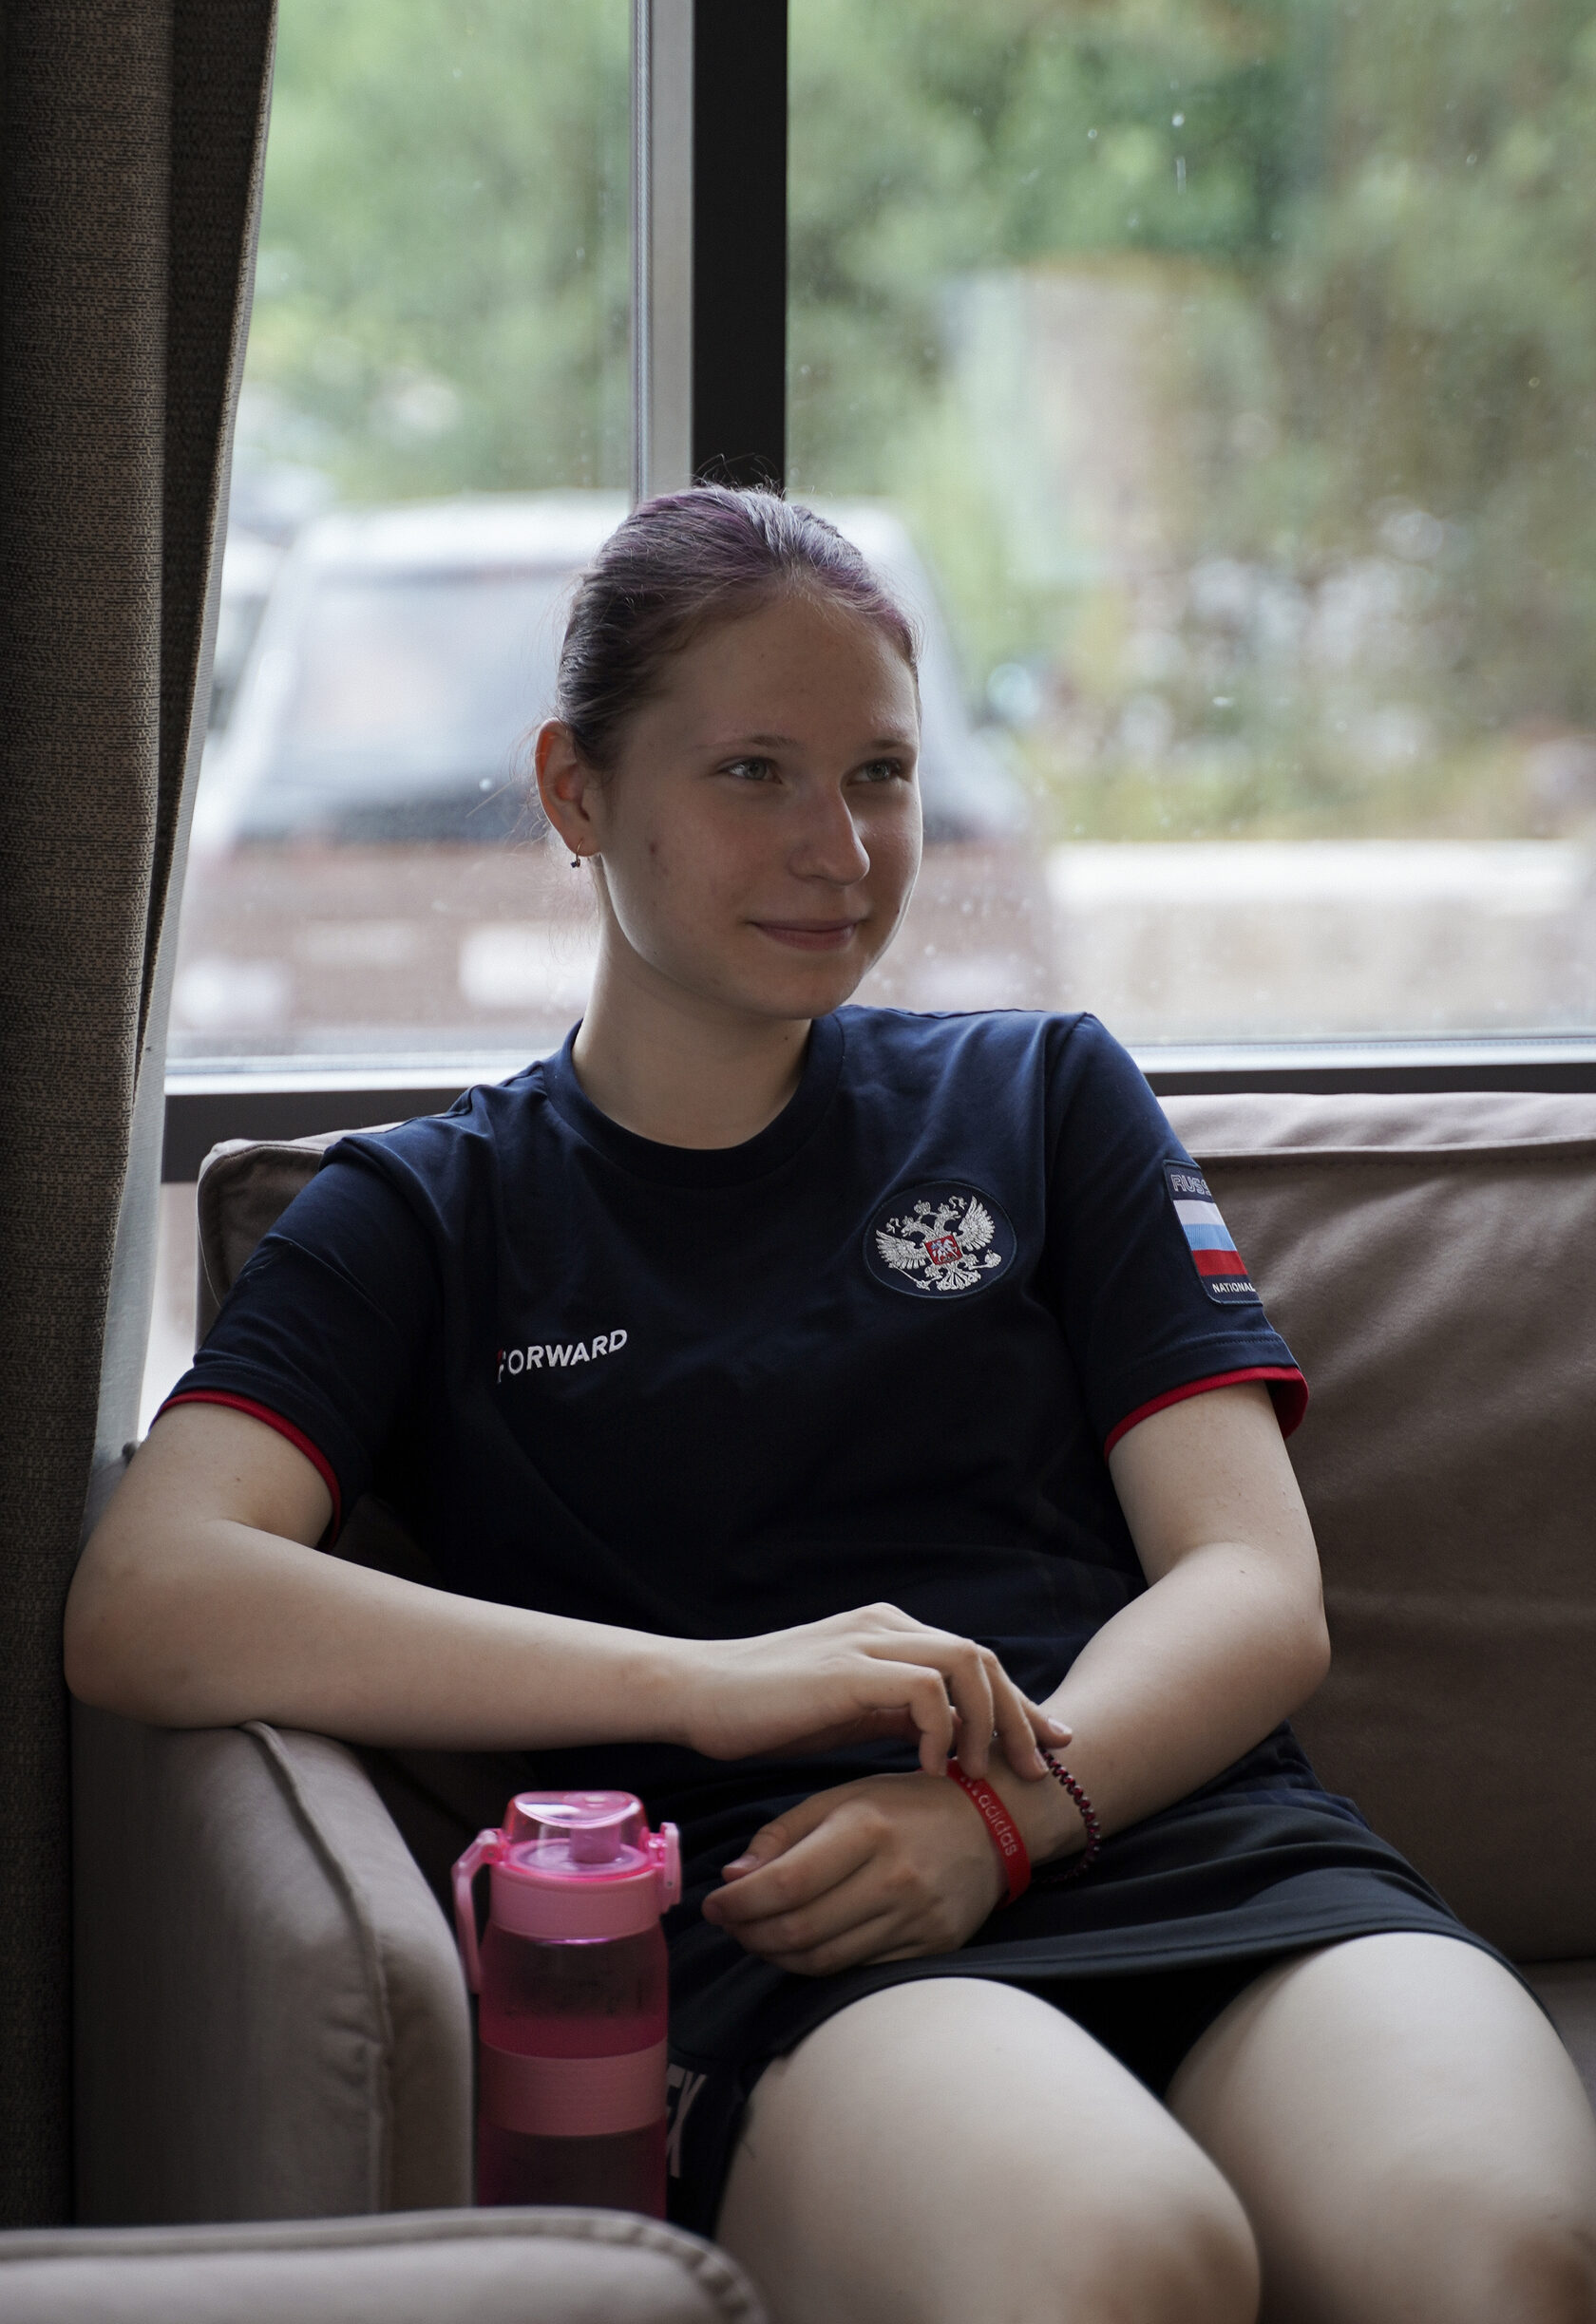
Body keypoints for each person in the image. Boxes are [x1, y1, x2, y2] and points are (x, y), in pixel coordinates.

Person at [66, 488, 1596, 2324]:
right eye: (755, 774)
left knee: (1511, 2251)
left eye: (880, 774)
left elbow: (1257, 1590)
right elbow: (147, 1600)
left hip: (1187, 1838)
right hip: (796, 1921)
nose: (841, 849)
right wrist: (705, 1684)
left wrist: (1009, 1820)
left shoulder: (1045, 1099)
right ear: (575, 791)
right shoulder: (422, 1215)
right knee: (1122, 2256)